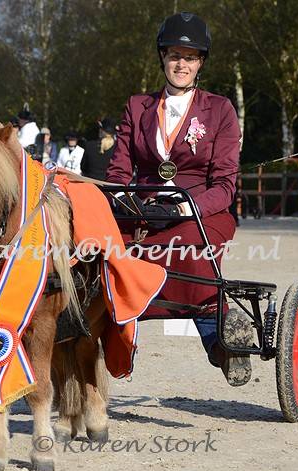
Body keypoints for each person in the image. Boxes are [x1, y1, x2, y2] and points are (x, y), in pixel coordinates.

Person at [106, 12, 249, 386]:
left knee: (187, 248)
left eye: (190, 57)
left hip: (201, 213)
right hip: (143, 212)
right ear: (163, 58)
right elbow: (118, 172)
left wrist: (186, 207)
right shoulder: (137, 106)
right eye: (174, 55)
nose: (181, 64)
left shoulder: (220, 110)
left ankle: (220, 342)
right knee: (102, 254)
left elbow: (225, 185)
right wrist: (126, 201)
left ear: (200, 63)